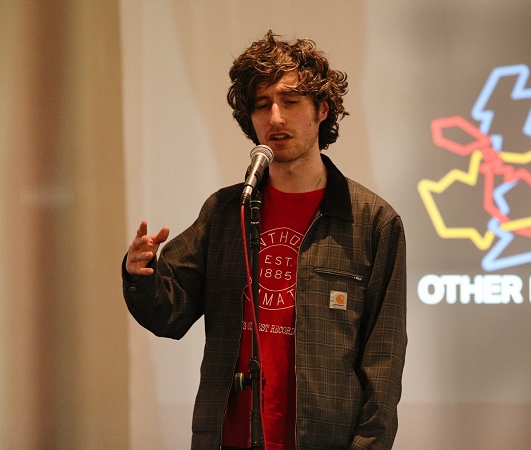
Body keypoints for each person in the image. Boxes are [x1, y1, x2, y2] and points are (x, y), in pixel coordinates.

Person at [122, 31, 407, 450]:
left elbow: (383, 361)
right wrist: (140, 273)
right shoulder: (225, 212)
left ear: (321, 110)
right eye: (261, 105)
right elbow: (168, 314)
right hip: (229, 437)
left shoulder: (372, 221)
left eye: (290, 102)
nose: (275, 117)